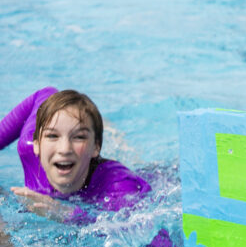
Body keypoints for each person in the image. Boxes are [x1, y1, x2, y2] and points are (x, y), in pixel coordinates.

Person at [0, 88, 150, 223]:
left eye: (79, 137)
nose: (64, 149)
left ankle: (110, 133)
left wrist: (69, 215)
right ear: (37, 144)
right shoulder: (28, 148)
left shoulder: (119, 185)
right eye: (52, 136)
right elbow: (44, 94)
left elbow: (157, 244)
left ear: (97, 147)